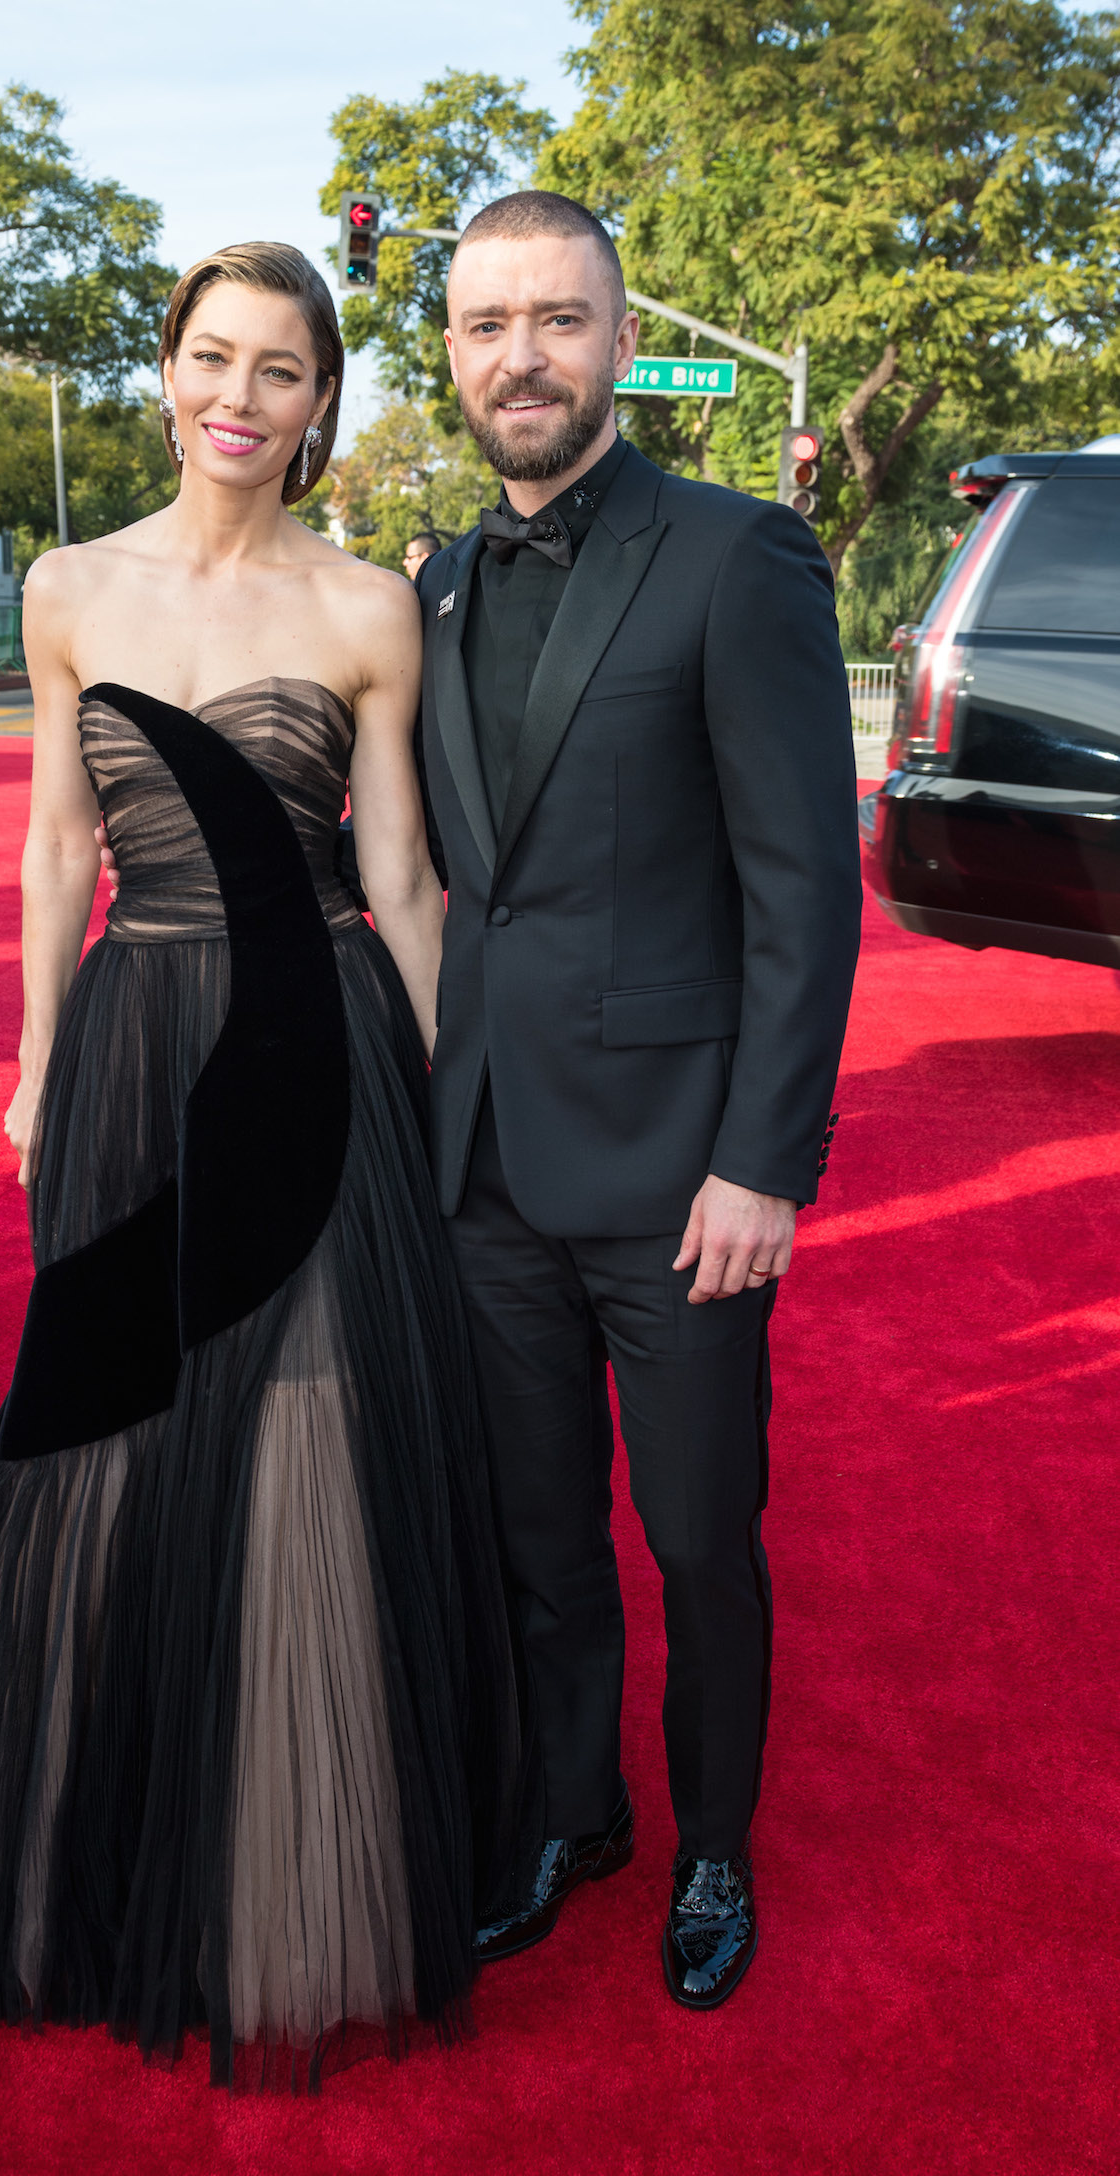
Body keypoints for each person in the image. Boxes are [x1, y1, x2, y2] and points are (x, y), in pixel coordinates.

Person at [0, 243, 520, 2090]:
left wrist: (468, 1105)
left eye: (281, 369)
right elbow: (61, 845)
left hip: (322, 1059)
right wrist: (37, 1065)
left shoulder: (374, 606)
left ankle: (287, 1867)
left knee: (302, 1421)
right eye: (212, 356)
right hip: (135, 1049)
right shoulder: (71, 588)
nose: (241, 394)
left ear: (321, 402)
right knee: (117, 1422)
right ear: (165, 371)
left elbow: (397, 885)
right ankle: (99, 1843)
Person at [412, 193, 861, 2008]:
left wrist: (767, 1160)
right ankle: (569, 1812)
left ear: (619, 337)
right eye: (483, 325)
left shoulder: (737, 554)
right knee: (536, 1533)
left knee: (696, 1541)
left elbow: (803, 891)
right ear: (451, 353)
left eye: (557, 319)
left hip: (686, 1182)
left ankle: (714, 1852)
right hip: (490, 1167)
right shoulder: (435, 578)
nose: (520, 355)